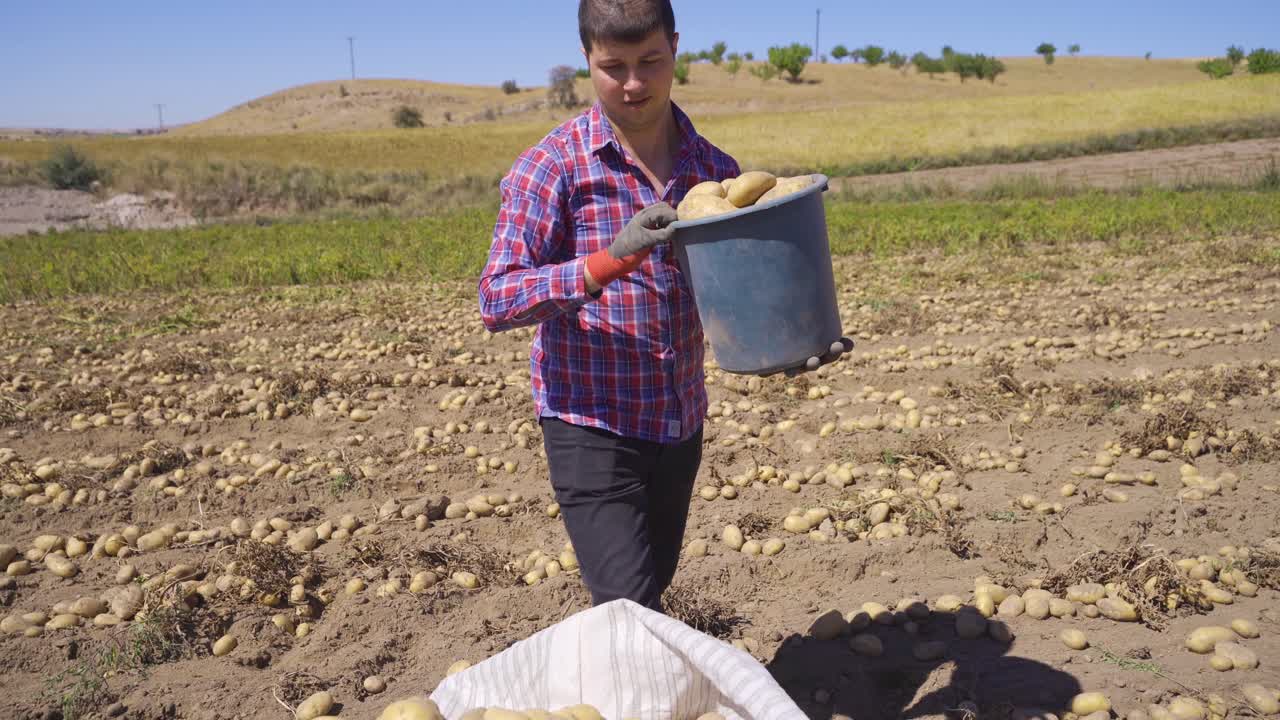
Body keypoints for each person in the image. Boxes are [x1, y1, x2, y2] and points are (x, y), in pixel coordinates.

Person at [478, 0, 852, 612]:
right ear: (586, 61)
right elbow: (497, 297)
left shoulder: (714, 173)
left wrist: (793, 341)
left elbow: (737, 297)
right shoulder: (553, 168)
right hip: (591, 424)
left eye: (650, 61)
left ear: (675, 47)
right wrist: (607, 261)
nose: (633, 83)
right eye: (613, 66)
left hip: (680, 422)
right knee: (629, 608)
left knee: (650, 589)